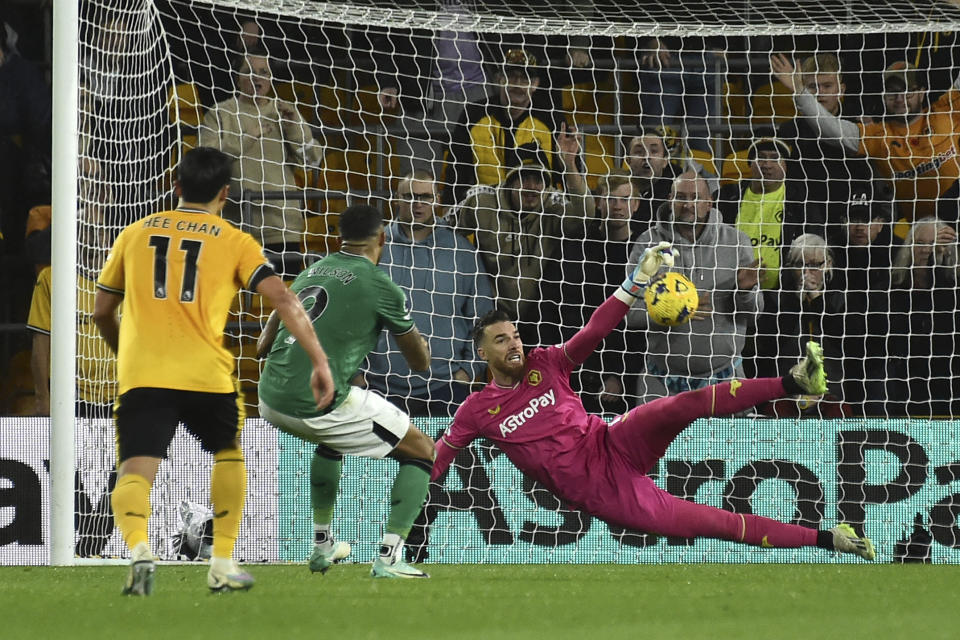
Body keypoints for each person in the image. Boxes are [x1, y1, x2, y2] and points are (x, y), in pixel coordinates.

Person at [429, 240, 876, 561]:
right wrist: (412, 494)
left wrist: (637, 281)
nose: (514, 345)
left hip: (612, 440)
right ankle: (828, 539)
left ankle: (794, 383)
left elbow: (593, 333)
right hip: (607, 492)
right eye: (501, 340)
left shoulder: (544, 363)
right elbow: (439, 458)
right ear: (482, 352)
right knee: (713, 522)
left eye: (516, 335)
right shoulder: (476, 411)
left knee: (680, 405)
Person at [93, 147, 334, 596]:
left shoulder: (134, 233)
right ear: (226, 192)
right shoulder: (235, 240)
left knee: (135, 471)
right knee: (227, 454)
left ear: (177, 185)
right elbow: (285, 299)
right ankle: (222, 560)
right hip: (208, 376)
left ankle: (141, 550)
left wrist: (122, 350)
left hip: (145, 375)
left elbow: (102, 310)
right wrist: (319, 361)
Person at [257, 204, 437, 579]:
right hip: (313, 402)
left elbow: (261, 346)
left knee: (333, 439)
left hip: (270, 396)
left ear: (340, 236)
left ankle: (323, 545)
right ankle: (389, 558)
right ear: (383, 238)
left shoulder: (312, 271)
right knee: (423, 450)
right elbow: (419, 362)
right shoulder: (379, 285)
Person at [771, 53, 960, 226]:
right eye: (892, 92)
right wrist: (800, 93)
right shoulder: (878, 135)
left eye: (908, 91)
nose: (900, 98)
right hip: (921, 235)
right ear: (883, 97)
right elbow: (833, 131)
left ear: (922, 92)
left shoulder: (946, 110)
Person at [364, 172, 494, 417]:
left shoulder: (461, 251)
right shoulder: (373, 250)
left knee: (446, 457)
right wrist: (357, 374)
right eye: (410, 196)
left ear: (437, 200)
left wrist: (468, 370)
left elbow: (483, 316)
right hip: (379, 387)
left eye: (425, 196)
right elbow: (349, 315)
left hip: (447, 388)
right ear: (396, 200)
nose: (418, 203)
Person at [627, 172, 762, 403]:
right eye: (681, 197)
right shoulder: (648, 244)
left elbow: (754, 314)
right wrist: (676, 309)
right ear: (670, 199)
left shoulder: (737, 242)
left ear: (709, 202)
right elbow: (629, 314)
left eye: (696, 197)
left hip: (725, 382)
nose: (688, 204)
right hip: (661, 385)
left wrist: (745, 291)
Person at [454, 127, 592, 347]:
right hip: (490, 312)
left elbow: (585, 215)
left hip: (540, 315)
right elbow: (444, 230)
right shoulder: (481, 201)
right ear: (510, 181)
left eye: (538, 179)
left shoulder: (551, 203)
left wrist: (568, 164)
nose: (532, 187)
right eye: (524, 178)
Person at [199, 47, 323, 277]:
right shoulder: (219, 113)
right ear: (237, 78)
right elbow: (205, 165)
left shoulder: (284, 111)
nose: (257, 77)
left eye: (263, 72)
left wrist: (295, 128)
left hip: (282, 229)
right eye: (249, 71)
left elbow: (313, 160)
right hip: (235, 228)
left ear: (270, 79)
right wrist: (246, 138)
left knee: (280, 306)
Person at [560, 170, 642, 414]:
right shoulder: (578, 249)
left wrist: (618, 374)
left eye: (625, 199)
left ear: (636, 204)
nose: (617, 206)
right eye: (610, 199)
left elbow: (640, 326)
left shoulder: (644, 253)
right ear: (598, 202)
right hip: (581, 371)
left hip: (630, 375)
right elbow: (572, 313)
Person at [445, 48, 560, 205]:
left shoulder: (551, 119)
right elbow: (456, 174)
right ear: (499, 79)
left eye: (525, 78)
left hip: (536, 218)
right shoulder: (473, 115)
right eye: (511, 77)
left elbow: (562, 179)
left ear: (535, 84)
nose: (517, 84)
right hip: (486, 215)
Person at [753, 234, 848, 418]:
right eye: (800, 265)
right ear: (790, 267)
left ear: (828, 264)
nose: (807, 272)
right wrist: (796, 301)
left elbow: (844, 342)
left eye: (814, 265)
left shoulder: (841, 300)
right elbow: (770, 345)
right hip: (784, 392)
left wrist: (817, 300)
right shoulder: (775, 299)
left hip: (831, 393)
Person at [717, 136, 824, 292]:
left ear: (785, 165)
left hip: (784, 298)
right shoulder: (726, 198)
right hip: (731, 293)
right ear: (750, 163)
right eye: (760, 158)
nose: (766, 165)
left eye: (775, 158)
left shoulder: (802, 202)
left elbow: (815, 249)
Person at [885, 216, 960, 417]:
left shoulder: (952, 289)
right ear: (909, 245)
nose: (926, 249)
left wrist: (939, 262)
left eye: (934, 244)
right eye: (920, 243)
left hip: (947, 381)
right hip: (904, 382)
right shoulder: (894, 288)